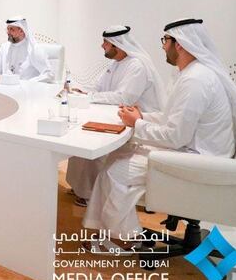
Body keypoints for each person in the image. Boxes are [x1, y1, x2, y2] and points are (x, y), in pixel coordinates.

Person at [83, 18, 236, 244]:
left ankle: (123, 239)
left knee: (116, 170)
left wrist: (137, 124)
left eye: (165, 40)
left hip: (199, 160)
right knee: (117, 157)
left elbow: (174, 136)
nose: (162, 46)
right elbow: (173, 118)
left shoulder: (195, 81)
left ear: (178, 43)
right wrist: (142, 117)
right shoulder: (191, 74)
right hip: (195, 149)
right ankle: (116, 231)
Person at [65, 25, 166, 207]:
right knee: (82, 130)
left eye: (106, 43)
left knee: (91, 137)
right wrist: (83, 92)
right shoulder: (116, 63)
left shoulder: (137, 66)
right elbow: (99, 88)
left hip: (138, 123)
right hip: (118, 115)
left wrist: (90, 97)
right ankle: (80, 186)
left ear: (117, 45)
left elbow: (125, 98)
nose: (102, 46)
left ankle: (89, 193)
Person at [0, 17, 53, 82]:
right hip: (4, 89)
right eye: (7, 29)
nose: (8, 32)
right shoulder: (4, 47)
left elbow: (49, 74)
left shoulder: (34, 49)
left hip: (26, 91)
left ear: (22, 31)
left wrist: (28, 83)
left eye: (12, 29)